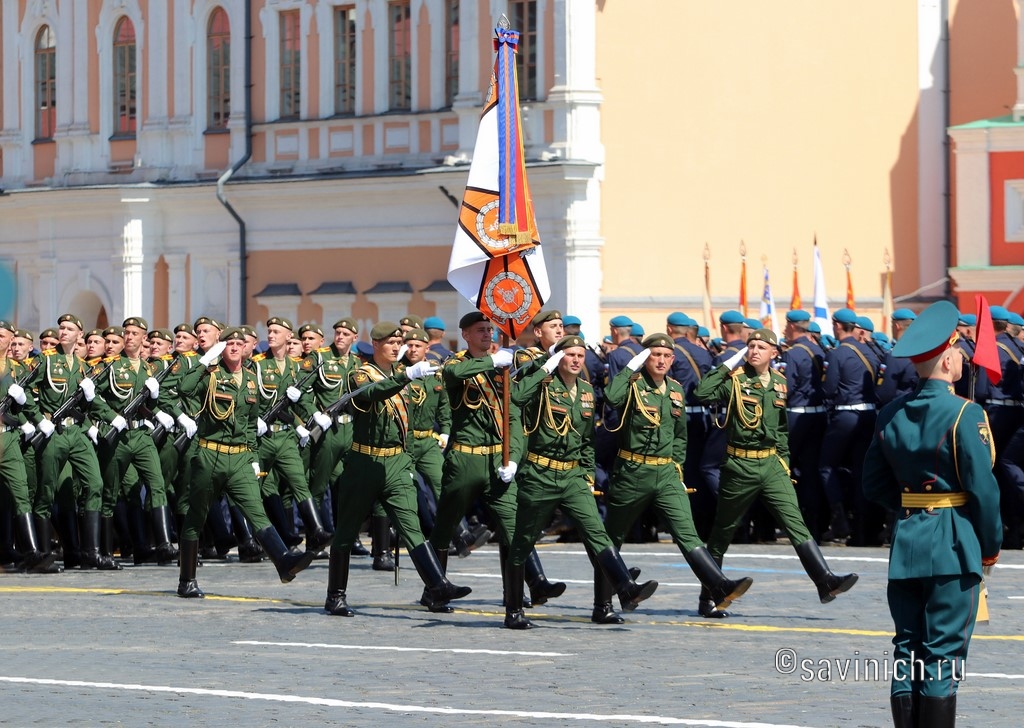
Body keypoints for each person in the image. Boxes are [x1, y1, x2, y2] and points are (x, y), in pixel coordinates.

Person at [862, 301, 1001, 727]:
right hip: (953, 545)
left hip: (906, 544)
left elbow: (873, 484)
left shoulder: (891, 413)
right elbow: (983, 491)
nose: (962, 356)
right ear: (947, 357)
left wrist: (914, 506)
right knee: (943, 655)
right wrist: (990, 549)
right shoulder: (965, 412)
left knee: (907, 648)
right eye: (959, 349)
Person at [695, 328, 857, 610]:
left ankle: (825, 581)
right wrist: (728, 364)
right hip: (740, 465)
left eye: (761, 347)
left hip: (771, 464)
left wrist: (783, 462)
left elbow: (781, 429)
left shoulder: (780, 383)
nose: (754, 351)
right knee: (723, 530)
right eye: (751, 346)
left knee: (795, 523)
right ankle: (710, 595)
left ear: (774, 353)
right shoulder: (735, 380)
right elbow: (702, 392)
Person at [505, 335, 659, 628]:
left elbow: (587, 439)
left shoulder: (587, 392)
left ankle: (626, 589)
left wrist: (588, 472)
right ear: (557, 358)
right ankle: (513, 610)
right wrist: (542, 370)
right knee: (522, 541)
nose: (576, 360)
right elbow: (514, 397)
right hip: (540, 474)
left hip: (573, 475)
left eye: (580, 355)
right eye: (570, 354)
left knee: (596, 533)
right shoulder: (542, 386)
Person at [323, 322, 472, 617]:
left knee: (411, 526)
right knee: (346, 530)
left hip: (396, 462)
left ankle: (437, 585)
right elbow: (373, 394)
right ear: (376, 344)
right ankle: (335, 596)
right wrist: (405, 376)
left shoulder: (402, 377)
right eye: (391, 342)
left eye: (399, 342)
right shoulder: (361, 374)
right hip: (365, 462)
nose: (397, 347)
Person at [605, 333, 753, 619]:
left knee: (688, 533)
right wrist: (629, 369)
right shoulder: (632, 386)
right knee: (612, 538)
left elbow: (679, 436)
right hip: (633, 471)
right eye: (655, 355)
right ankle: (604, 605)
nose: (661, 360)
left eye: (665, 356)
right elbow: (611, 398)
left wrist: (678, 468)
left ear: (672, 360)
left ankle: (718, 586)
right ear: (645, 358)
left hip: (666, 473)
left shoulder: (675, 390)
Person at [427, 312, 564, 611]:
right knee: (446, 526)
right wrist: (494, 362)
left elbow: (513, 404)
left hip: (496, 461)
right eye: (480, 330)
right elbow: (454, 375)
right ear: (465, 335)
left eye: (489, 329)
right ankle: (435, 588)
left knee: (514, 527)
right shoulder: (455, 363)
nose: (487, 334)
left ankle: (516, 601)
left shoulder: (501, 368)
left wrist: (546, 364)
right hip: (465, 458)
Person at [174, 328, 318, 598]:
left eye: (240, 343)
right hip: (210, 455)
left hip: (240, 458)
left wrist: (253, 458)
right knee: (196, 516)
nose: (235, 347)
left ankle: (283, 563)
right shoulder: (211, 376)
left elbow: (252, 424)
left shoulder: (252, 380)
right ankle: (187, 580)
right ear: (222, 347)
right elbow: (183, 388)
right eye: (229, 343)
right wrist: (206, 361)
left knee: (257, 512)